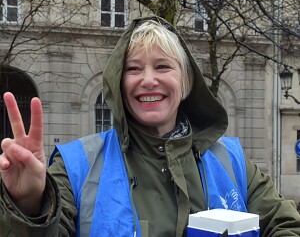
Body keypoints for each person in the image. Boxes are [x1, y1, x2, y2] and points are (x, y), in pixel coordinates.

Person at [0, 16, 300, 237]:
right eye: (133, 68)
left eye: (163, 66)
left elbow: (285, 224)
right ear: (119, 84)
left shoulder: (231, 160)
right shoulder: (75, 167)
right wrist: (29, 206)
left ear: (185, 82)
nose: (147, 80)